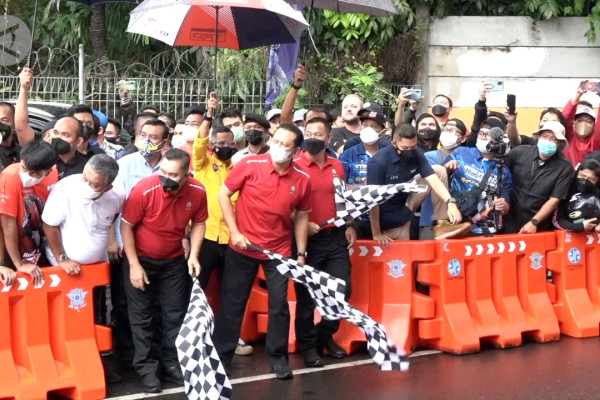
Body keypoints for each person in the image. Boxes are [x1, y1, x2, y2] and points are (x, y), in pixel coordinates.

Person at [213, 123, 311, 380]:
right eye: (276, 141)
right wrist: (235, 231)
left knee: (279, 305)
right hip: (243, 247)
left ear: (296, 151)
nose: (278, 147)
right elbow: (224, 195)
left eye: (285, 145)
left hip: (278, 251)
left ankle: (278, 359)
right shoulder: (249, 164)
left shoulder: (302, 179)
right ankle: (221, 357)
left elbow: (302, 216)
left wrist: (301, 254)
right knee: (233, 303)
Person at [121, 148, 208, 393]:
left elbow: (199, 223)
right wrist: (134, 265)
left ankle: (171, 363)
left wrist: (194, 255)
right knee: (142, 316)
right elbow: (126, 227)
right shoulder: (144, 189)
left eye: (173, 175)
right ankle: (147, 369)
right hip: (141, 259)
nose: (166, 178)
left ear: (186, 175)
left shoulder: (198, 191)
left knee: (174, 314)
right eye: (163, 172)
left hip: (173, 262)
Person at [41, 154, 124, 383]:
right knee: (66, 320)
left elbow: (112, 218)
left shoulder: (117, 195)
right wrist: (63, 259)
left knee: (96, 318)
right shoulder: (65, 189)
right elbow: (49, 225)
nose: (86, 184)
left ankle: (96, 365)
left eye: (94, 183)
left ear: (107, 187)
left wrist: (109, 241)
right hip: (65, 271)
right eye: (85, 178)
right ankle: (64, 367)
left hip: (95, 272)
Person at [293, 117, 356, 368]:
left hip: (335, 236)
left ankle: (324, 334)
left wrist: (350, 225)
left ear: (328, 138)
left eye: (318, 134)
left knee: (343, 290)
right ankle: (308, 347)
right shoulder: (294, 165)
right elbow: (284, 202)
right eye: (308, 133)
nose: (312, 138)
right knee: (307, 297)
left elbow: (343, 199)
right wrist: (303, 224)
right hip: (306, 240)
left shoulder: (337, 165)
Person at [110, 118, 170, 370]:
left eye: (153, 137)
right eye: (143, 135)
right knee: (125, 302)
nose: (147, 141)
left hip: (158, 247)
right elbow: (112, 205)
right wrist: (113, 239)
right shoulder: (125, 164)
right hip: (126, 244)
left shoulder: (170, 167)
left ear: (164, 142)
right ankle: (127, 353)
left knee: (155, 303)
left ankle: (155, 353)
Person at [367, 123, 466, 243]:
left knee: (439, 170)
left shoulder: (415, 153)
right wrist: (376, 233)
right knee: (402, 251)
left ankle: (441, 224)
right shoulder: (378, 162)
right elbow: (372, 200)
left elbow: (433, 179)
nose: (409, 151)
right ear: (393, 143)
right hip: (388, 213)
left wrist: (450, 202)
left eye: (412, 147)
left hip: (408, 199)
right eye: (405, 148)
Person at [0, 141, 58, 285]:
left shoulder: (54, 177)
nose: (27, 175)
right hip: (15, 247)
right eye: (24, 168)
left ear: (48, 172)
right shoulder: (10, 176)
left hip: (43, 246)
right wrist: (19, 264)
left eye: (34, 173)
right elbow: (7, 225)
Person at [504, 121, 573, 233]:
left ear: (559, 143)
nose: (548, 140)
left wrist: (534, 222)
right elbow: (502, 177)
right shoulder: (518, 152)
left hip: (537, 225)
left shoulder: (564, 167)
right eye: (545, 136)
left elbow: (554, 200)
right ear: (539, 136)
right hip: (508, 219)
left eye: (553, 139)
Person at [446, 126, 513, 235]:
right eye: (480, 133)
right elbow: (437, 176)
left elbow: (505, 207)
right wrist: (448, 167)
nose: (482, 137)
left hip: (483, 229)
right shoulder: (461, 152)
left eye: (487, 135)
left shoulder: (504, 171)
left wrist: (502, 205)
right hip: (454, 221)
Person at [420, 118, 468, 239]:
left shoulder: (467, 160)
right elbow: (430, 179)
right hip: (431, 221)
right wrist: (446, 169)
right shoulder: (429, 156)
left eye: (452, 131)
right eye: (446, 130)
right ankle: (441, 223)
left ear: (463, 138)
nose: (448, 133)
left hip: (461, 220)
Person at [552, 159, 600, 232]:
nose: (585, 180)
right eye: (582, 176)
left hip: (590, 234)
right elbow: (557, 220)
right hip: (565, 233)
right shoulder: (565, 188)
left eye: (591, 179)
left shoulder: (597, 193)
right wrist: (580, 227)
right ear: (577, 173)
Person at [562, 81, 600, 165]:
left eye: (588, 121)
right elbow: (564, 119)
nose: (584, 124)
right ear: (574, 123)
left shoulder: (595, 141)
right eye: (580, 120)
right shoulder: (569, 137)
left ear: (594, 125)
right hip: (567, 173)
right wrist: (578, 94)